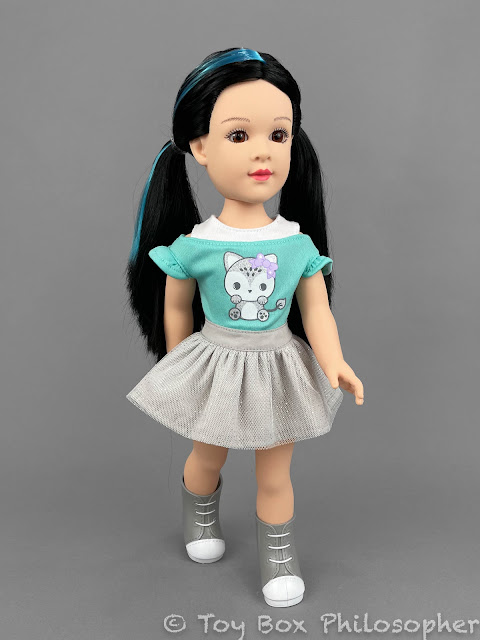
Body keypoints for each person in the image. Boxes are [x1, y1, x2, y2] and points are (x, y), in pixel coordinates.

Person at [125, 47, 364, 608]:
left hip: (279, 367)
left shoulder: (296, 243)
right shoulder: (196, 245)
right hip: (216, 364)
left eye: (279, 135)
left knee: (275, 474)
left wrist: (333, 359)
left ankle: (279, 556)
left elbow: (316, 310)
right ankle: (200, 512)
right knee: (207, 455)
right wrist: (178, 362)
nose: (263, 151)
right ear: (200, 147)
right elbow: (177, 308)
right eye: (239, 135)